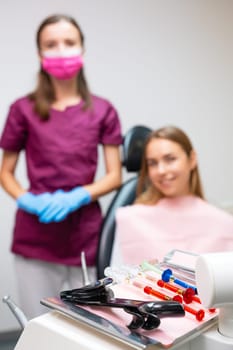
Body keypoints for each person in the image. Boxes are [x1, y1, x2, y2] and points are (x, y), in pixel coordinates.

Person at [0, 14, 122, 319]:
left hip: (85, 237)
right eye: (51, 44)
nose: (61, 50)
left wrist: (78, 195)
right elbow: (5, 172)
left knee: (92, 327)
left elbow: (115, 175)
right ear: (40, 54)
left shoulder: (103, 110)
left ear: (82, 48)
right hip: (35, 239)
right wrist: (27, 198)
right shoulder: (22, 110)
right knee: (41, 326)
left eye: (69, 42)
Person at [111, 126, 233, 266]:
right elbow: (114, 280)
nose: (161, 170)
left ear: (192, 159)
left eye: (170, 159)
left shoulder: (224, 224)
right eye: (153, 163)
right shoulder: (129, 220)